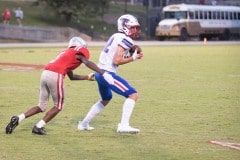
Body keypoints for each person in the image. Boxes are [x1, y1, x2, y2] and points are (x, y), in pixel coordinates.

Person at [5, 37, 114, 135]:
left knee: (41, 106)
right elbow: (87, 62)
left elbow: (71, 76)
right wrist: (102, 72)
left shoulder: (66, 53)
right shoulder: (78, 52)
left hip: (45, 73)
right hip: (55, 75)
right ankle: (38, 127)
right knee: (58, 106)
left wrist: (87, 77)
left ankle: (18, 118)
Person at [78, 14, 143, 134]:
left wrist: (131, 53)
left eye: (136, 28)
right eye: (132, 27)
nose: (135, 30)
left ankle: (84, 123)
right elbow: (116, 60)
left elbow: (115, 56)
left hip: (99, 72)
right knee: (133, 94)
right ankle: (124, 125)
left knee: (106, 98)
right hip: (107, 74)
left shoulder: (116, 36)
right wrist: (133, 58)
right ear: (124, 26)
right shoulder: (125, 39)